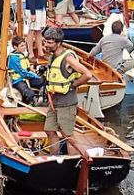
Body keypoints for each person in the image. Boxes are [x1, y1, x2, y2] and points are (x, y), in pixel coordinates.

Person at [41, 27, 95, 155]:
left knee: (67, 135)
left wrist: (73, 85)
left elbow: (87, 74)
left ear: (59, 43)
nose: (46, 45)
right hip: (54, 101)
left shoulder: (68, 58)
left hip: (66, 102)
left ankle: (79, 158)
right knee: (49, 130)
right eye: (45, 42)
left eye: (49, 42)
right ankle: (54, 158)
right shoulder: (53, 56)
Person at [7, 35, 44, 103]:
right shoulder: (13, 58)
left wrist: (33, 71)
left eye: (25, 45)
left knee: (43, 81)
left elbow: (27, 67)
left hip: (27, 78)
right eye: (22, 46)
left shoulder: (22, 54)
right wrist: (35, 75)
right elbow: (22, 73)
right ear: (15, 47)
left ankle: (42, 96)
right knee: (27, 92)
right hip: (17, 80)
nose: (24, 47)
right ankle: (34, 102)